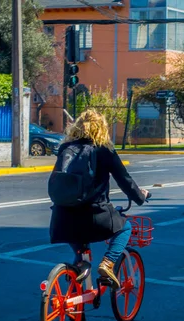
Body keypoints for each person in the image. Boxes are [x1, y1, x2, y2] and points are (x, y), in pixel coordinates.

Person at [49, 109, 149, 288]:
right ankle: (108, 263)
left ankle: (79, 267)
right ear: (102, 129)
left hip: (61, 218)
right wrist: (141, 196)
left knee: (79, 248)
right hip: (95, 217)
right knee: (125, 227)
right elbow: (125, 180)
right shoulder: (104, 150)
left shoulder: (65, 149)